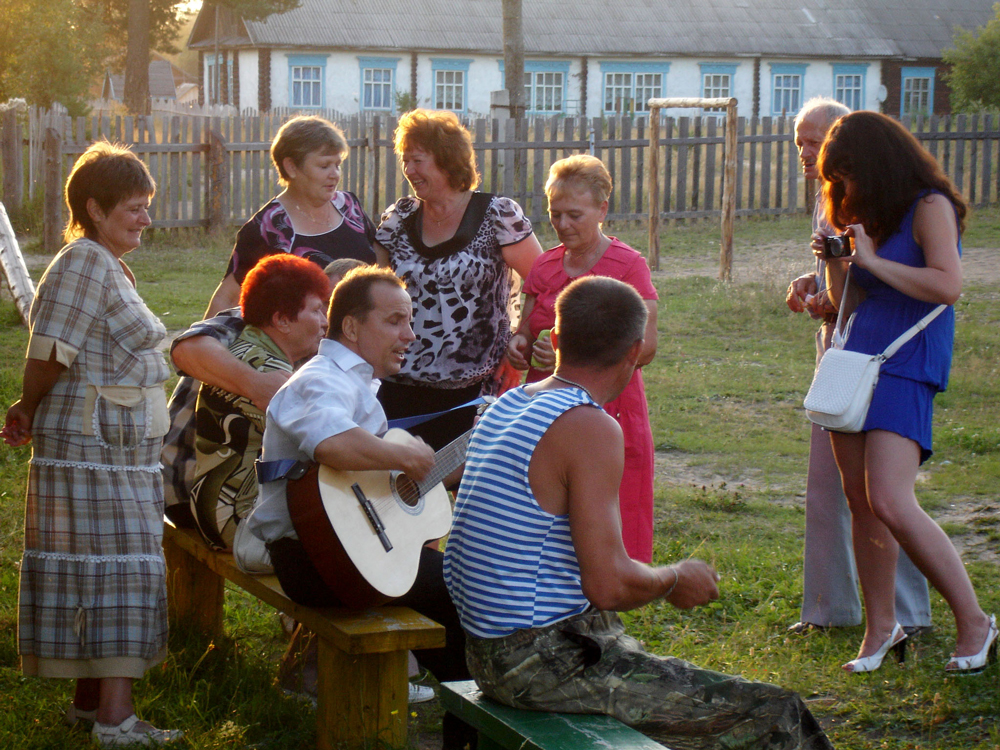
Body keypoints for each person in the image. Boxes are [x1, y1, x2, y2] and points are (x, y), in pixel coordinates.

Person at [445, 276, 833, 750]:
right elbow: (608, 585)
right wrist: (674, 578)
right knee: (777, 715)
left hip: (484, 648)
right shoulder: (587, 426)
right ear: (634, 352)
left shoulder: (510, 404)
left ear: (557, 339)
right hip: (536, 663)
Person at [241, 266, 475, 746]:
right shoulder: (320, 379)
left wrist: (454, 461)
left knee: (457, 606)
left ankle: (463, 720)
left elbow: (370, 485)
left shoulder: (357, 385)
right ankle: (466, 729)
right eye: (395, 321)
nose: (409, 334)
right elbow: (331, 445)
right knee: (467, 593)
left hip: (343, 551)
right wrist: (404, 454)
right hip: (312, 561)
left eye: (410, 322)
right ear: (350, 326)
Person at [1, 142, 182, 747]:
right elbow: (50, 350)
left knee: (103, 573)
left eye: (147, 206)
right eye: (133, 207)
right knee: (119, 577)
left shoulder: (104, 262)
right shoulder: (84, 261)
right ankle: (115, 719)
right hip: (90, 454)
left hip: (114, 454)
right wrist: (27, 408)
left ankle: (89, 706)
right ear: (95, 209)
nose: (145, 219)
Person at [817, 111, 996, 674]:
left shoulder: (928, 207)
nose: (845, 187)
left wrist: (870, 259)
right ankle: (880, 629)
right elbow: (850, 297)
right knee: (861, 502)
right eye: (837, 178)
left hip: (907, 362)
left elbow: (948, 285)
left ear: (879, 162)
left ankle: (974, 622)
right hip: (856, 361)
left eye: (849, 173)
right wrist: (838, 263)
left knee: (891, 499)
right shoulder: (868, 213)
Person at [784, 99, 931, 636]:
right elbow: (842, 283)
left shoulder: (884, 200)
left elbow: (889, 280)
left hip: (880, 357)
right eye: (798, 141)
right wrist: (814, 284)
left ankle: (908, 614)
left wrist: (834, 290)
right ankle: (830, 610)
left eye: (815, 141)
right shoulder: (829, 200)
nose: (805, 153)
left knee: (886, 495)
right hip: (840, 353)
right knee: (829, 488)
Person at [508, 155, 658, 562]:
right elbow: (524, 328)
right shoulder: (543, 266)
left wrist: (561, 352)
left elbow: (645, 347)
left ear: (602, 209)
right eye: (555, 214)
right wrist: (519, 345)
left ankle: (607, 600)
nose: (563, 224)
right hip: (547, 413)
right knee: (550, 509)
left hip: (610, 409)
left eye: (575, 214)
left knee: (608, 515)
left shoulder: (628, 266)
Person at [375, 109, 542, 450]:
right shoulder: (399, 218)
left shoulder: (497, 214)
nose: (409, 171)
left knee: (467, 490)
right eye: (405, 161)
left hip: (475, 391)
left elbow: (542, 280)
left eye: (418, 161)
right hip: (400, 388)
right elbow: (368, 290)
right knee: (394, 490)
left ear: (448, 161)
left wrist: (521, 338)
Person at [190, 254, 331, 550]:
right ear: (282, 320)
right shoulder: (267, 371)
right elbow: (325, 445)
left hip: (213, 507)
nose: (325, 322)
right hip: (238, 521)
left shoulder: (246, 346)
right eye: (317, 310)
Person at [204, 115, 377, 318]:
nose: (335, 174)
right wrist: (200, 343)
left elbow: (381, 268)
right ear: (291, 167)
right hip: (305, 346)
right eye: (324, 166)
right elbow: (228, 298)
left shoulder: (350, 207)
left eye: (337, 165)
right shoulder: (268, 228)